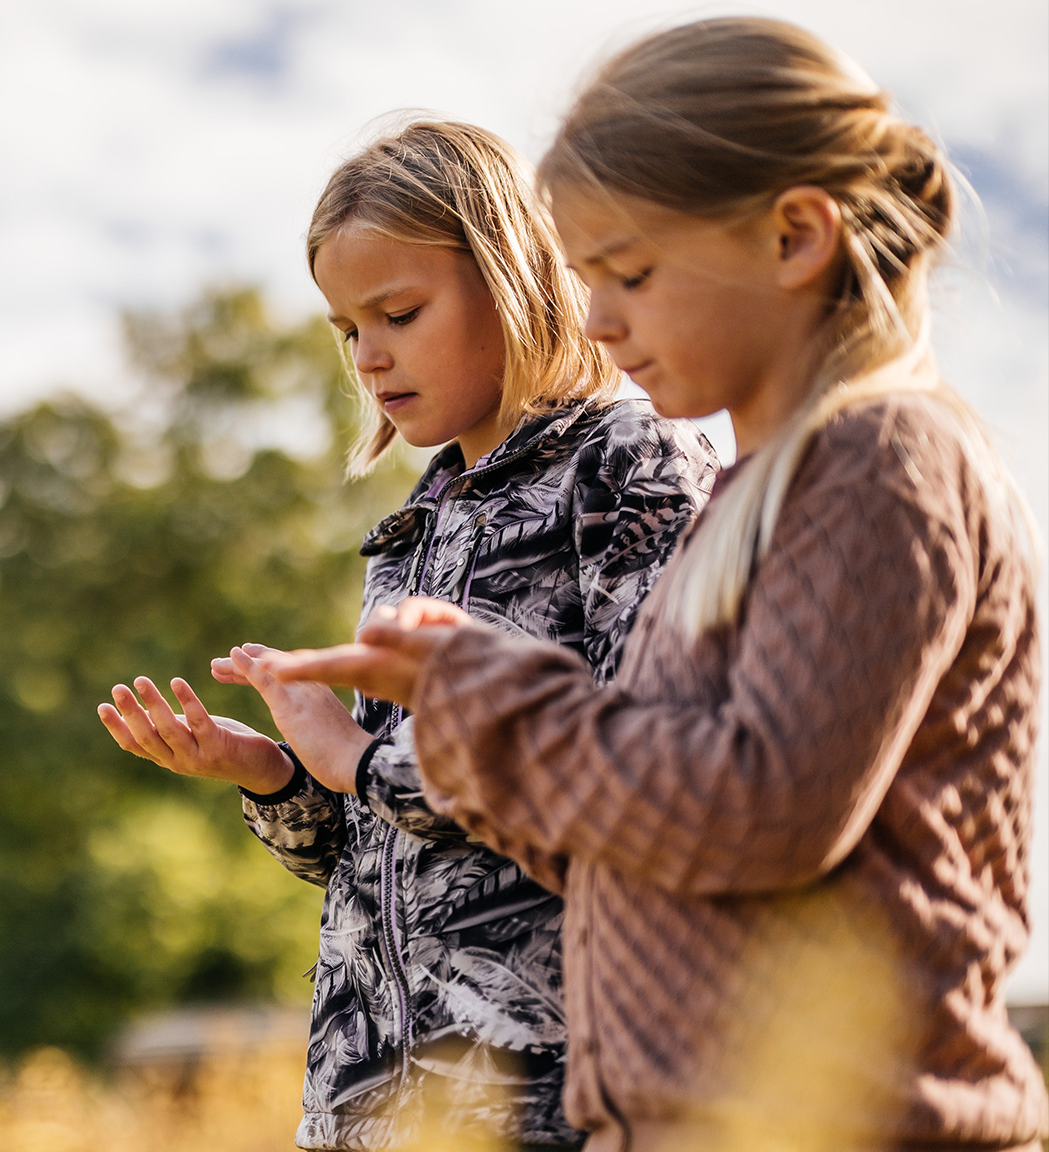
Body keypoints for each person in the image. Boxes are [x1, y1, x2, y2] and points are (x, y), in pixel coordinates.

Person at [257, 19, 1047, 1152]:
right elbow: (632, 832)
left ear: (793, 238)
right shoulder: (761, 492)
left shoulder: (879, 463)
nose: (594, 318)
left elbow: (757, 812)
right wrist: (319, 770)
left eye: (627, 273)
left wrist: (472, 698)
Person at [97, 119, 716, 1149]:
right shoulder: (408, 532)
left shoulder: (626, 465)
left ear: (516, 279)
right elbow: (384, 852)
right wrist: (276, 775)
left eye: (397, 313)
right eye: (346, 329)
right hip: (369, 1109)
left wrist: (357, 758)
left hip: (548, 1100)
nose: (368, 357)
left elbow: (641, 772)